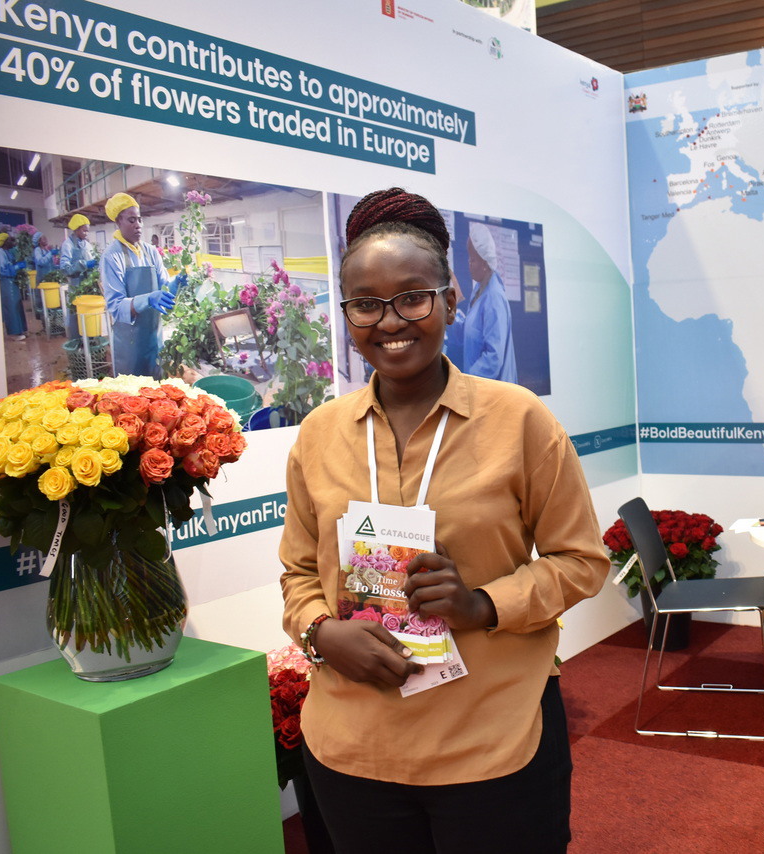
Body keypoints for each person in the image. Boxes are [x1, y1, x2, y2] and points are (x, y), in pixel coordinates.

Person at [280, 188, 608, 854]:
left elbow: (582, 561)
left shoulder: (519, 420)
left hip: (490, 743)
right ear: (346, 315)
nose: (389, 321)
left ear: (450, 301)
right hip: (353, 746)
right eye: (365, 303)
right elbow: (298, 571)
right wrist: (320, 633)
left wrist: (483, 603)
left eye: (412, 297)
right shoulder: (318, 434)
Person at [100, 193, 186, 378]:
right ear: (118, 222)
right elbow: (115, 306)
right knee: (133, 390)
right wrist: (147, 299)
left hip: (154, 337)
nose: (138, 224)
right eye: (131, 220)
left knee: (156, 385)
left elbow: (164, 287)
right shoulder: (112, 256)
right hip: (130, 343)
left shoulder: (150, 251)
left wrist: (176, 283)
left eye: (139, 219)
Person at [461, 221, 517, 383]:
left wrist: (467, 381)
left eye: (473, 259)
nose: (469, 264)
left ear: (485, 263)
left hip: (491, 389)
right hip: (479, 385)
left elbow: (493, 358)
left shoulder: (494, 298)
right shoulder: (479, 290)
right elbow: (472, 332)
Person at [0, 231, 27, 340]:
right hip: (6, 282)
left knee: (17, 306)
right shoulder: (0, 253)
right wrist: (16, 267)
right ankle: (14, 333)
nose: (12, 242)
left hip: (12, 282)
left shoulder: (7, 252)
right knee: (11, 307)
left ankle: (20, 329)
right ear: (4, 241)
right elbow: (2, 270)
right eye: (9, 240)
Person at [59, 213, 97, 289]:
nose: (87, 234)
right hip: (75, 286)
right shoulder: (68, 244)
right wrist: (84, 265)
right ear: (76, 229)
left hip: (89, 284)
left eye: (88, 231)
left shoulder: (86, 244)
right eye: (84, 231)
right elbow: (65, 269)